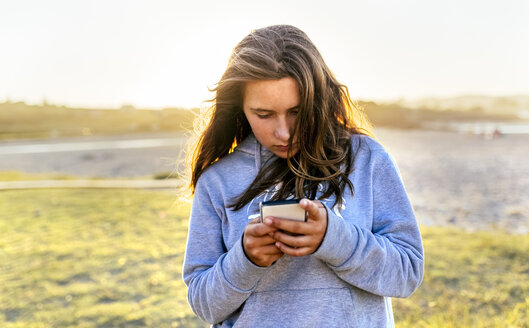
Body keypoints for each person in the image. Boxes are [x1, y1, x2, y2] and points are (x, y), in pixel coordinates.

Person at [183, 24, 424, 327]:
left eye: (297, 111)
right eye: (264, 114)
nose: (283, 132)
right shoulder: (217, 181)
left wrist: (334, 238)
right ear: (240, 108)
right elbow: (204, 306)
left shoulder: (366, 160)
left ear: (319, 98)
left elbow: (408, 273)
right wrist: (245, 259)